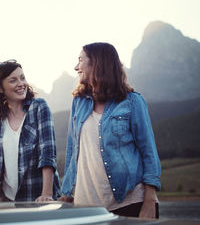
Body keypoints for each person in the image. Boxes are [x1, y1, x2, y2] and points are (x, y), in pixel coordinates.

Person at [60, 43, 161, 219]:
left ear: (97, 64)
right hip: (86, 206)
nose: (76, 67)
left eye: (80, 60)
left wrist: (149, 200)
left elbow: (149, 152)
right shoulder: (78, 102)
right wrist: (67, 191)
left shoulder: (132, 102)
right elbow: (72, 149)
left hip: (129, 202)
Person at [0, 59, 61, 202]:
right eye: (13, 80)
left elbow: (47, 154)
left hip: (37, 198)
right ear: (0, 88)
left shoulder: (39, 107)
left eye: (22, 78)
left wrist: (46, 194)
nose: (21, 84)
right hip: (5, 200)